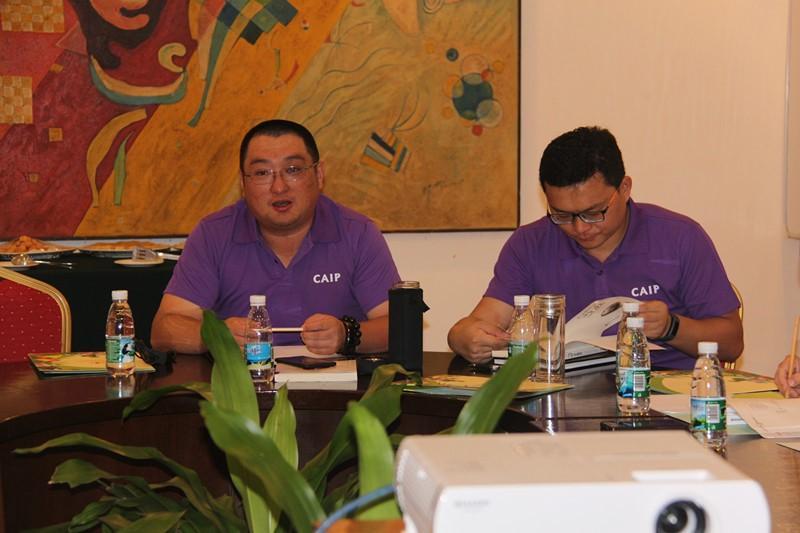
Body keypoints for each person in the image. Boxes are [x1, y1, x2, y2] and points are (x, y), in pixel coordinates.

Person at [448, 126, 743, 369]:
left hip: (662, 395)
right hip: (564, 395)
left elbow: (731, 343)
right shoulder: (530, 243)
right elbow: (478, 323)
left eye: (593, 212)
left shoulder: (679, 237)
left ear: (624, 189)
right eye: (562, 215)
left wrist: (671, 327)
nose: (580, 228)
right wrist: (464, 338)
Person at [151, 119, 400, 355]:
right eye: (262, 173)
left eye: (293, 170)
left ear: (319, 175)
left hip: (338, 384)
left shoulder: (357, 232)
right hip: (244, 383)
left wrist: (347, 334)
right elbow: (164, 330)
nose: (279, 187)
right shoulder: (213, 234)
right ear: (243, 183)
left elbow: (401, 326)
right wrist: (216, 336)